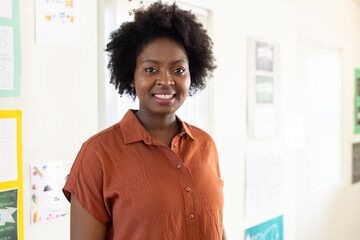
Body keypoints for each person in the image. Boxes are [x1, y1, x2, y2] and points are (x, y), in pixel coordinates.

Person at [63, 1, 224, 239]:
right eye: (151, 70)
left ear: (193, 74)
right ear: (131, 76)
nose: (166, 81)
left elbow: (217, 227)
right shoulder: (97, 154)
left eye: (178, 70)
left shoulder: (206, 145)